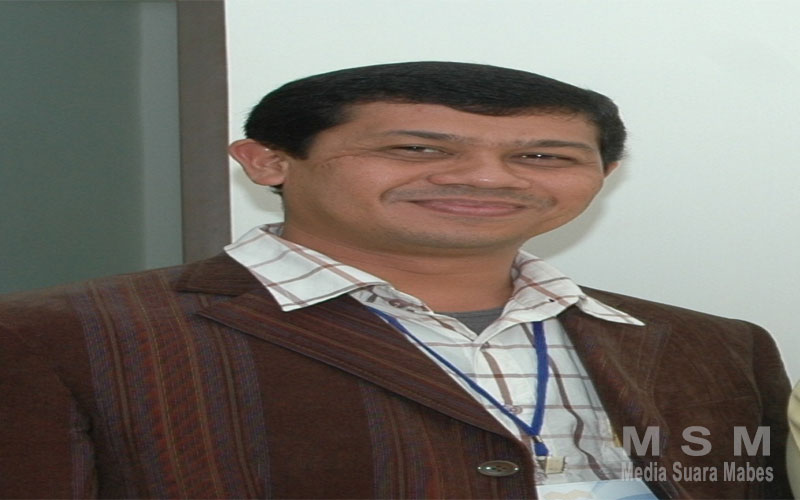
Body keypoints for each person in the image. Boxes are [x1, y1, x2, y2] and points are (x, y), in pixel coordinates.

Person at [0, 62, 791, 499]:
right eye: (417, 149)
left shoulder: (715, 346)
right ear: (267, 161)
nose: (486, 178)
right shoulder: (55, 338)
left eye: (542, 156)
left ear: (604, 175)